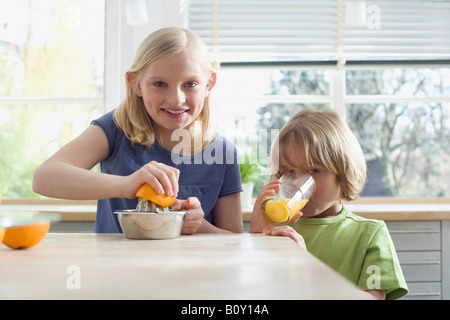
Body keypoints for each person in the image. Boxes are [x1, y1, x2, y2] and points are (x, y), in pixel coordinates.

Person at [33, 27, 243, 234]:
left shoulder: (223, 153)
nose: (176, 99)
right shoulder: (115, 129)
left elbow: (232, 241)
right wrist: (126, 184)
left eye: (190, 84)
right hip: (119, 267)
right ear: (136, 84)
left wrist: (198, 226)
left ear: (209, 84)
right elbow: (44, 178)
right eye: (160, 83)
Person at [250, 109, 408, 300]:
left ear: (342, 173)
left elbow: (374, 297)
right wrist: (257, 235)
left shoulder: (370, 235)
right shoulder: (279, 229)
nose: (298, 183)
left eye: (313, 170)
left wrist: (306, 269)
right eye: (289, 170)